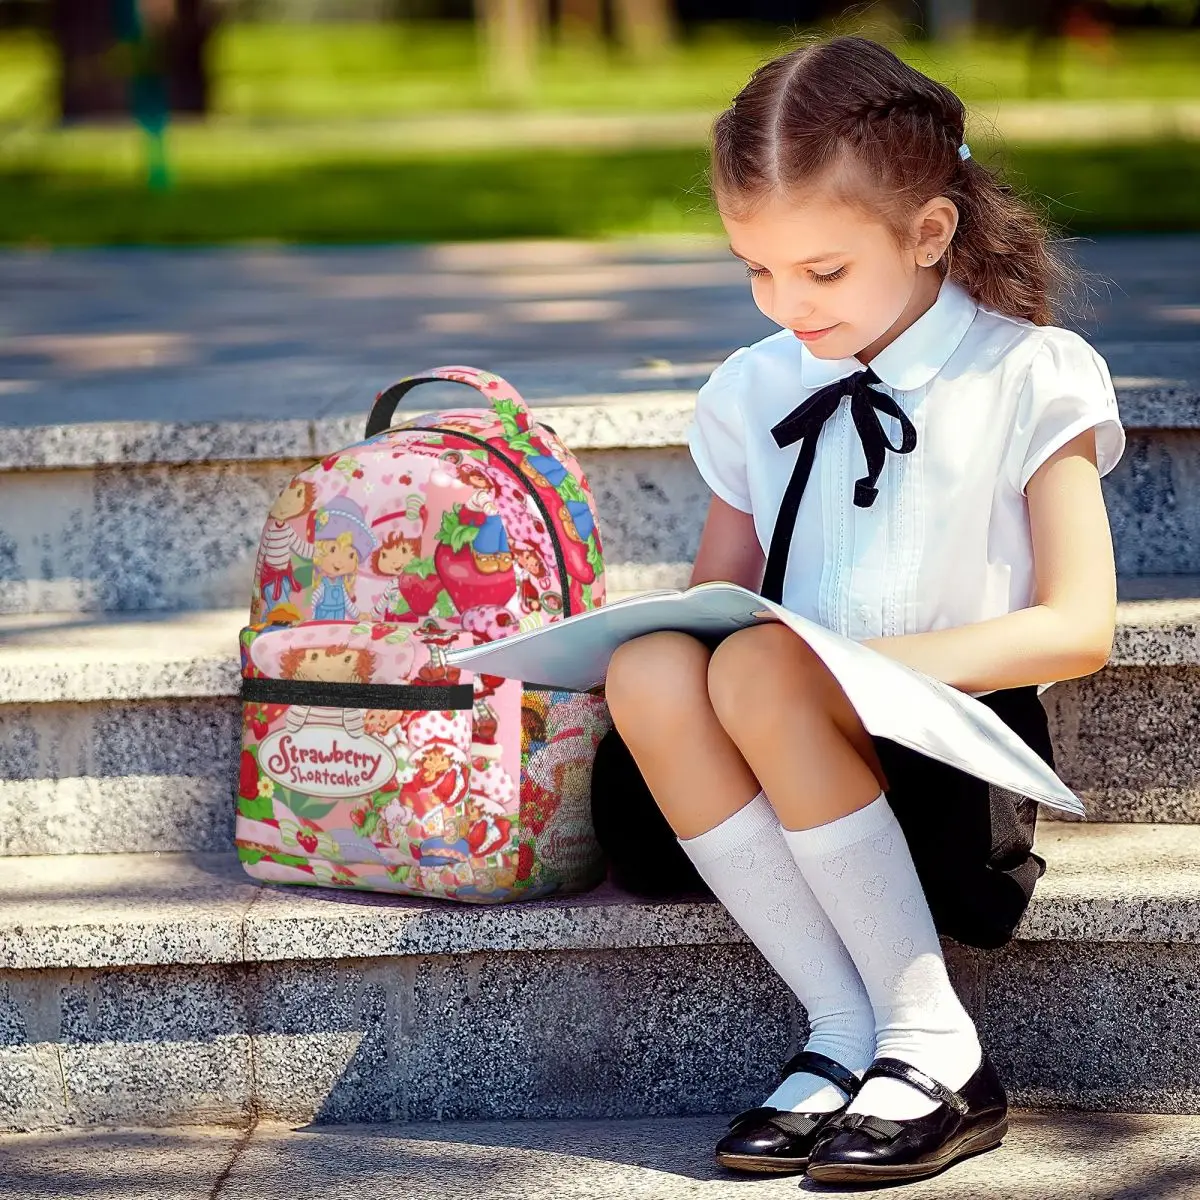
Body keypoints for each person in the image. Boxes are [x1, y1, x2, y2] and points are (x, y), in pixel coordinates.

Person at [602, 34, 1125, 1188]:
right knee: (655, 666)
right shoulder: (752, 386)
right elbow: (716, 606)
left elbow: (1079, 627)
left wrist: (859, 667)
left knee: (769, 669)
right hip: (782, 764)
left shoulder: (1029, 373)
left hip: (948, 769)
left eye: (823, 273)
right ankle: (847, 1032)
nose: (786, 304)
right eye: (757, 270)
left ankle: (937, 1044)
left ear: (929, 232)